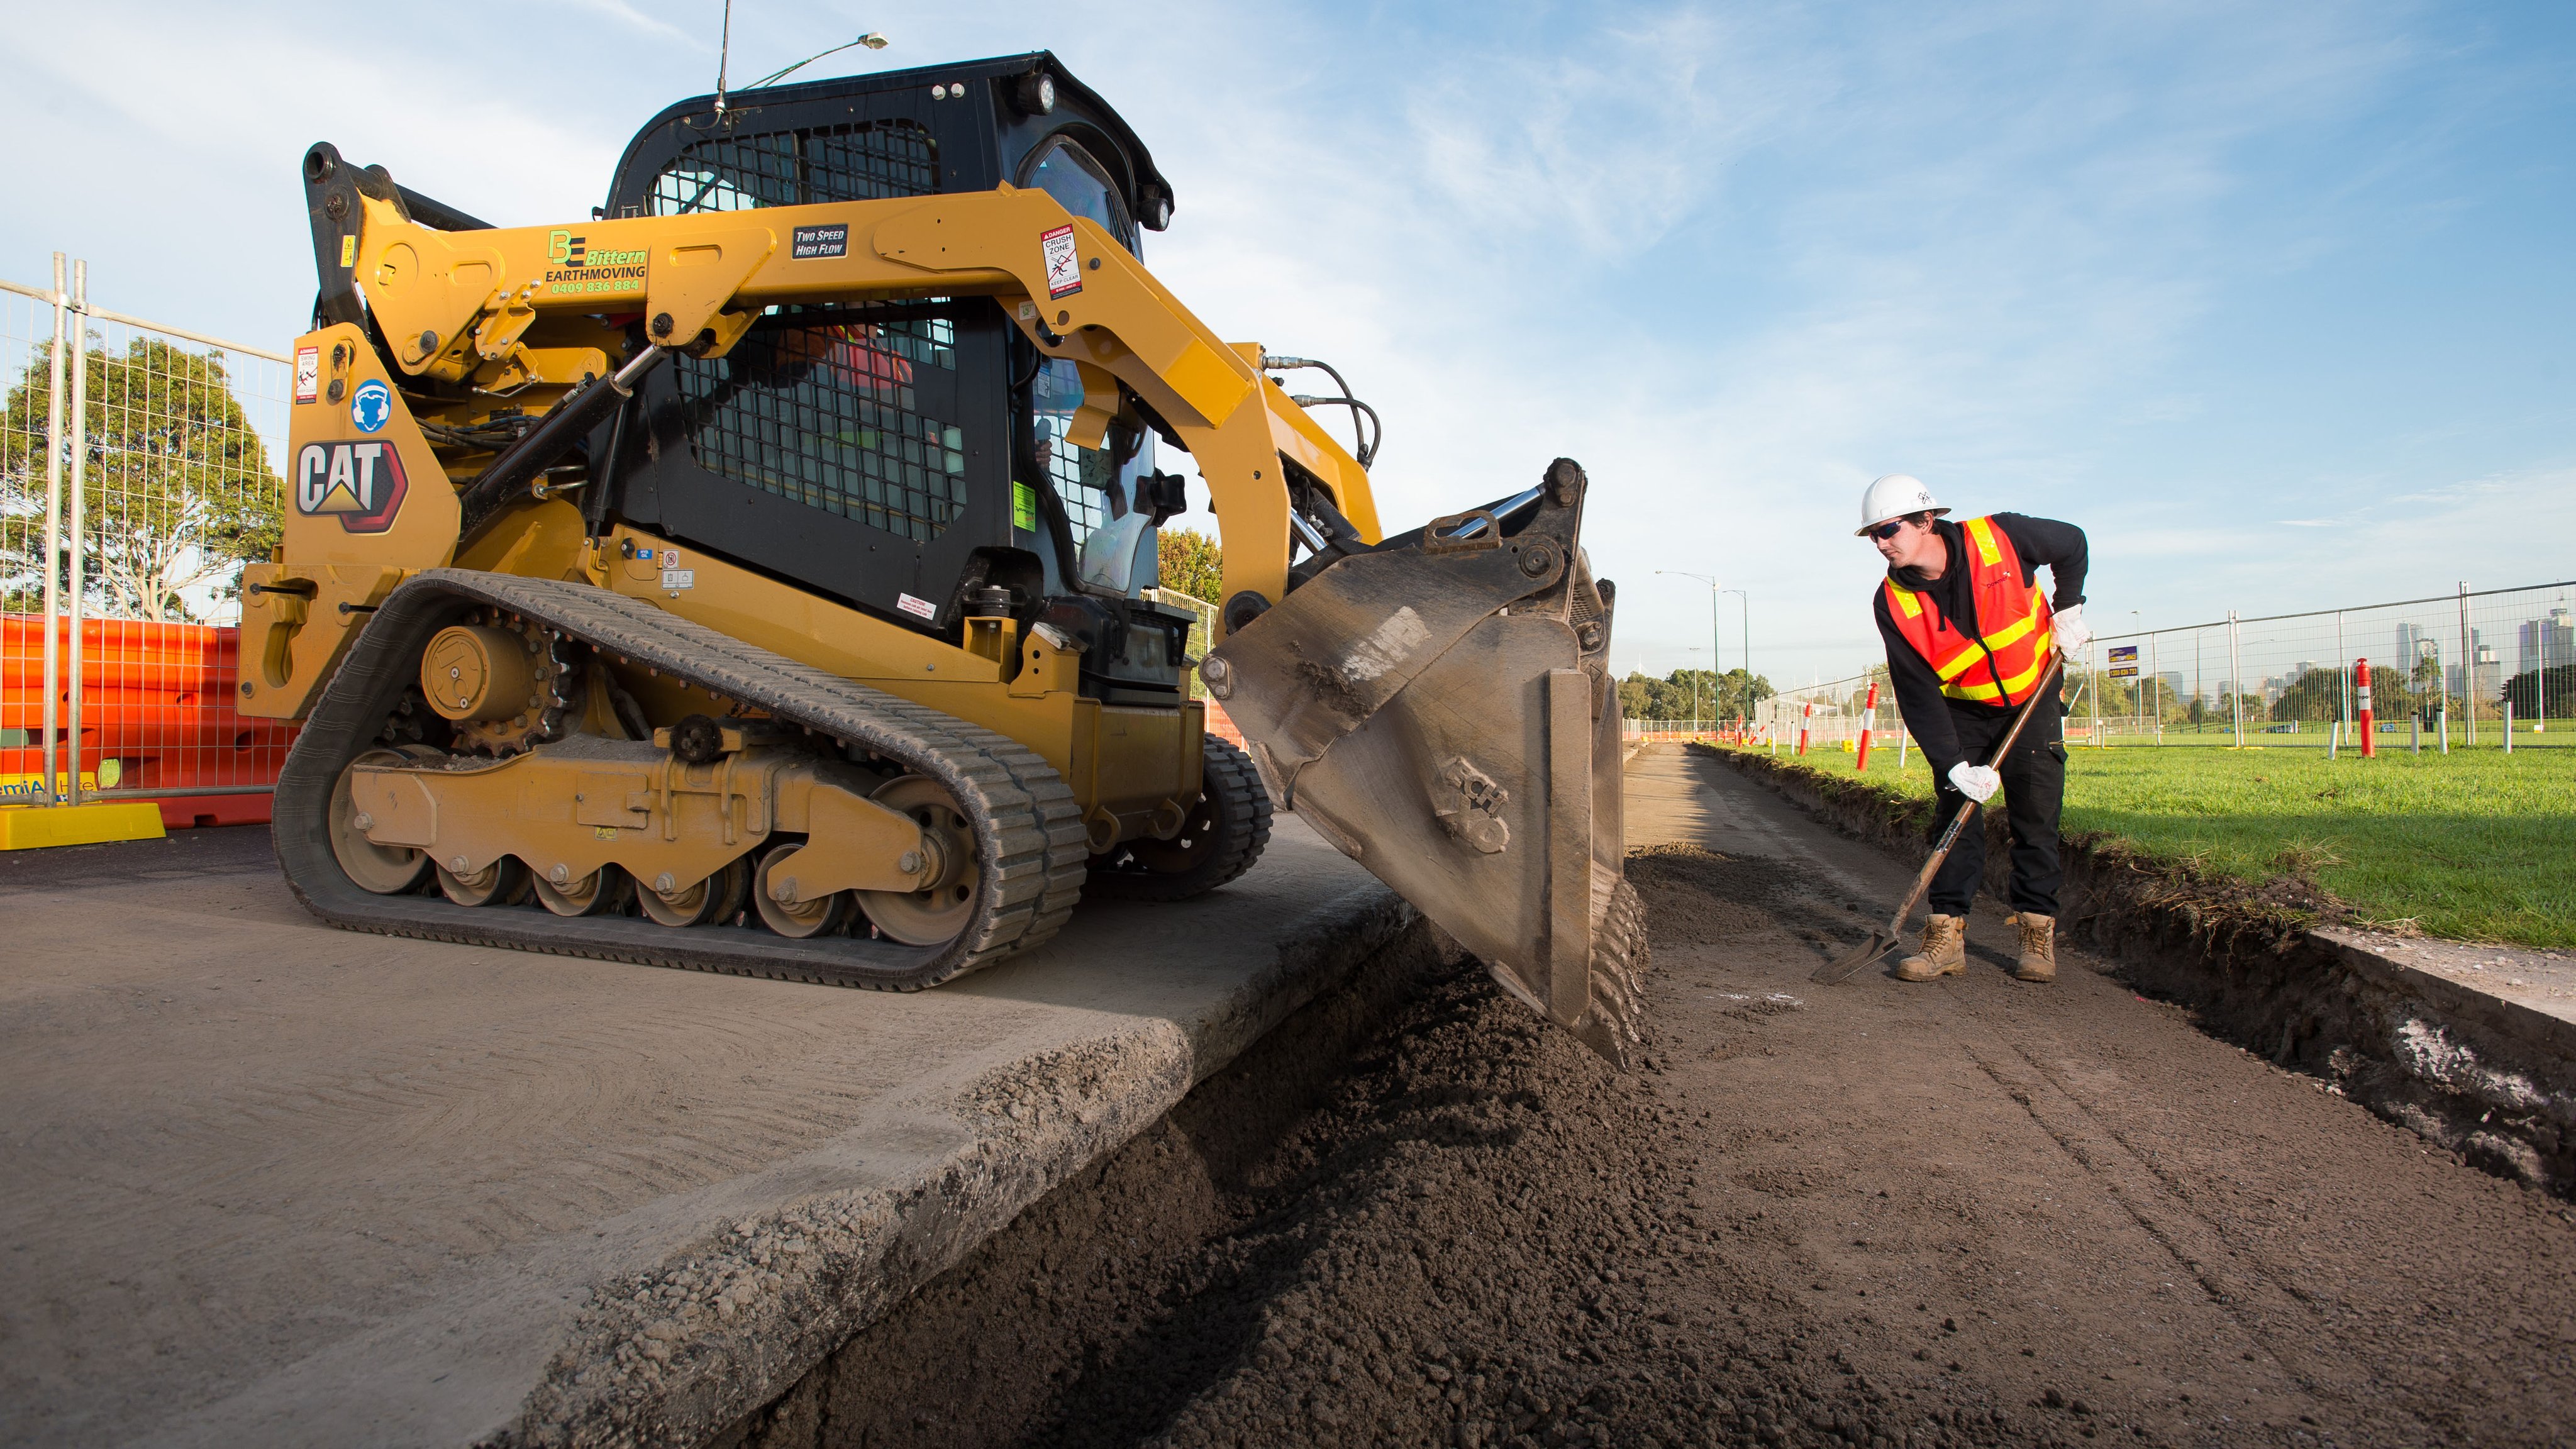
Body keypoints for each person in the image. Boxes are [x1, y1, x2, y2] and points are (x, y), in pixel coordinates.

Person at [1858, 474, 2091, 983]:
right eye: (1872, 535)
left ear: (1926, 520)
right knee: (1954, 815)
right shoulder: (1892, 602)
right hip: (1961, 709)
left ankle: (2037, 935)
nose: (1881, 544)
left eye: (1889, 529)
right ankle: (1945, 938)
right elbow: (1916, 691)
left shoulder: (2001, 537)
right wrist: (1952, 764)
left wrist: (2070, 606)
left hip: (2032, 693)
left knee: (2036, 816)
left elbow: (2072, 543)